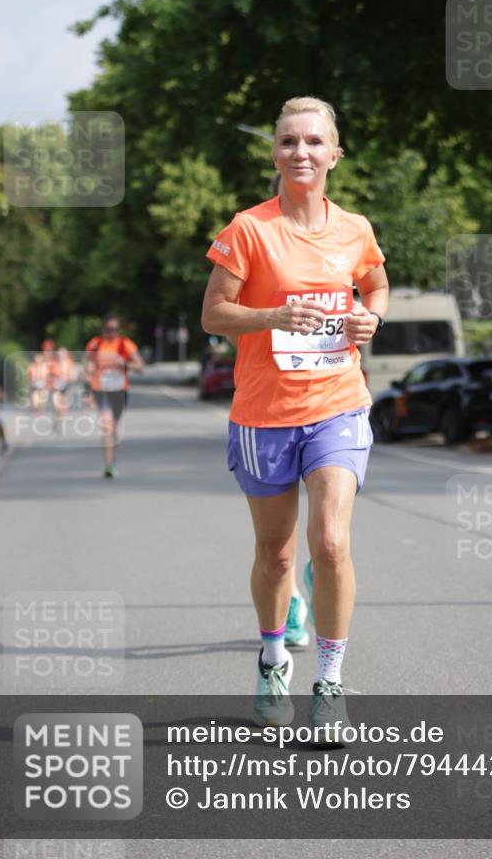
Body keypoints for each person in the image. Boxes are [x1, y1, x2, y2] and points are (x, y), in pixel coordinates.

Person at [201, 96, 389, 738]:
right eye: (288, 142)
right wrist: (272, 316)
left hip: (338, 402)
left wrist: (372, 317)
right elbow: (214, 315)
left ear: (335, 154)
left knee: (331, 542)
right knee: (277, 556)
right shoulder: (249, 229)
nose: (300, 153)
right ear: (275, 153)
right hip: (262, 413)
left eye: (313, 142)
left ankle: (330, 682)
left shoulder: (355, 228)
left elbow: (376, 282)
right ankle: (273, 656)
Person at [84, 314, 144, 477]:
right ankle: (109, 463)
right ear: (104, 329)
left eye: (115, 330)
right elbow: (85, 365)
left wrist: (123, 363)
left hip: (119, 390)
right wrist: (87, 380)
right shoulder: (95, 344)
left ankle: (113, 459)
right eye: (109, 329)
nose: (112, 333)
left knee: (114, 428)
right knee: (107, 425)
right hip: (100, 389)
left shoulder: (125, 344)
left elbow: (140, 366)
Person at [27, 340, 54, 415]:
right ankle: (36, 409)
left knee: (42, 400)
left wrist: (49, 384)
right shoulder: (32, 367)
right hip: (35, 386)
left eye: (49, 349)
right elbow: (29, 376)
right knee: (35, 400)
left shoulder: (46, 366)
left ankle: (39, 410)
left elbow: (49, 376)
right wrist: (31, 383)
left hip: (44, 386)